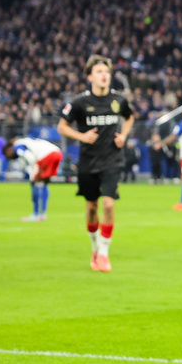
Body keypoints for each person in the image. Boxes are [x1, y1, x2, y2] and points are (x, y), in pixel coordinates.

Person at [58, 55, 134, 273]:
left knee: (109, 205)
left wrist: (124, 136)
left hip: (112, 159)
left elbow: (129, 118)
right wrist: (80, 137)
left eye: (107, 73)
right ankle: (94, 247)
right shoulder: (80, 102)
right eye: (100, 72)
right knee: (92, 207)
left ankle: (104, 253)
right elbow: (62, 127)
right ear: (90, 76)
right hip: (88, 161)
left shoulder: (118, 99)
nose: (104, 76)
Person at [3, 136, 64, 221]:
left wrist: (34, 172)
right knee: (43, 183)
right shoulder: (26, 141)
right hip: (57, 153)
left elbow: (30, 158)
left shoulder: (17, 146)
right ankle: (42, 214)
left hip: (46, 156)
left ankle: (36, 214)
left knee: (34, 182)